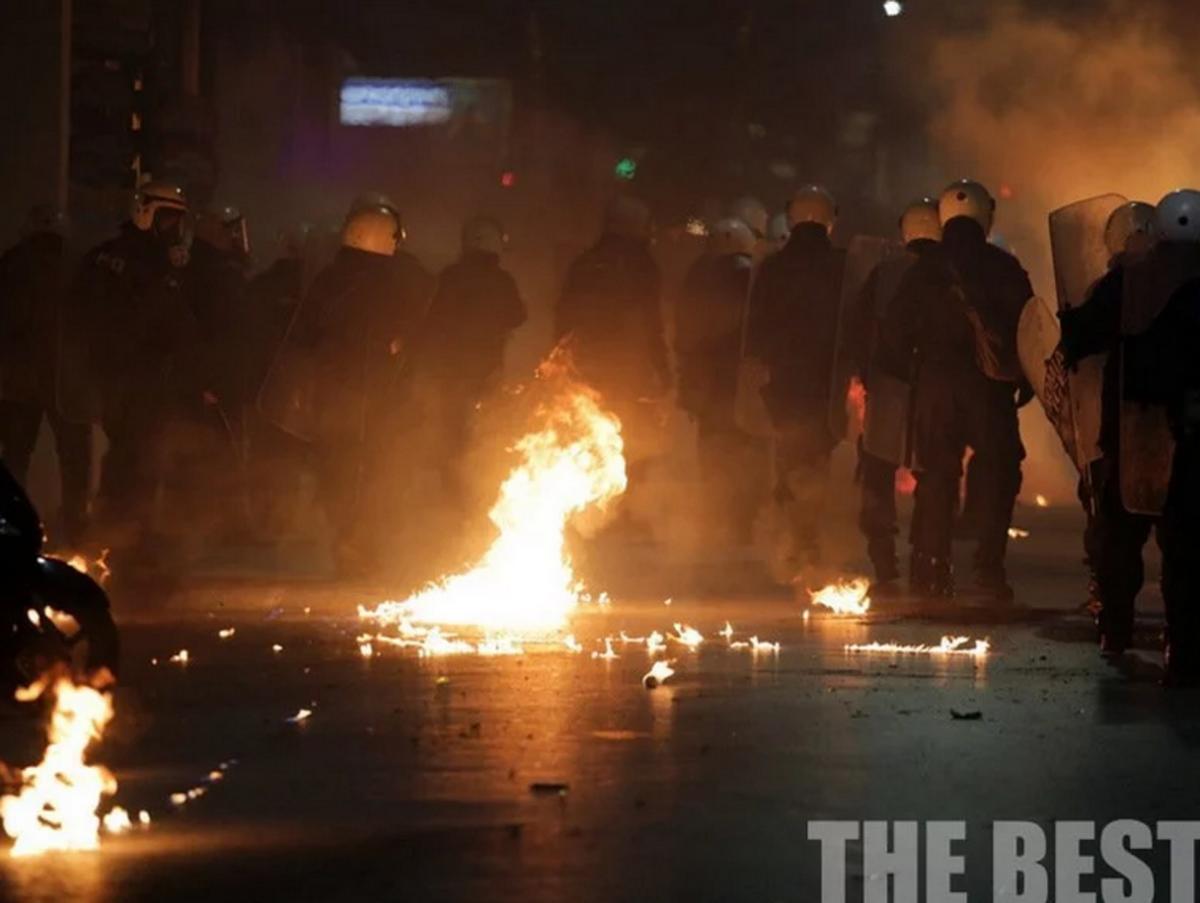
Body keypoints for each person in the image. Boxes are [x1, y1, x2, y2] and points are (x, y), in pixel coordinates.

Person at [1065, 190, 1200, 659]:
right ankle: (1184, 646)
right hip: (1188, 431)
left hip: (1135, 427)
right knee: (1187, 544)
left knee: (1120, 532)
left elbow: (1078, 336)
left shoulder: (1130, 280)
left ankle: (1116, 630)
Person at [889, 180, 1032, 601]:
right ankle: (989, 569)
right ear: (986, 216)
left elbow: (894, 333)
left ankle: (933, 571)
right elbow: (1029, 332)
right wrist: (1026, 382)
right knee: (998, 473)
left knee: (935, 477)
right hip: (990, 392)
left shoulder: (923, 271)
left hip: (935, 390)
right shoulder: (1005, 267)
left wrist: (913, 374)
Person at [75, 180, 212, 557]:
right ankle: (122, 537)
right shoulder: (139, 262)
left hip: (136, 377)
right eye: (167, 220)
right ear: (145, 212)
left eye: (177, 222)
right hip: (131, 378)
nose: (173, 230)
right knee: (132, 456)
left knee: (137, 455)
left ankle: (125, 534)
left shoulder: (122, 258)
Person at [290, 203, 425, 575]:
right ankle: (355, 548)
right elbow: (399, 336)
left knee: (339, 469)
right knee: (366, 471)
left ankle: (348, 543)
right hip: (365, 397)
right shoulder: (382, 284)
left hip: (332, 396)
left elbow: (304, 335)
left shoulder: (329, 278)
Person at [1056, 200, 1156, 621]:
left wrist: (1069, 322)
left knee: (1117, 523)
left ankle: (1115, 621)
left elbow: (1080, 340)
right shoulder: (1185, 282)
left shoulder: (1119, 284)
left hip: (1130, 420)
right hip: (1183, 424)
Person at [744, 185, 845, 581]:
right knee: (816, 461)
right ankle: (804, 540)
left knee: (789, 458)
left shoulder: (773, 267)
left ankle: (792, 539)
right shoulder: (842, 266)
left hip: (783, 384)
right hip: (825, 381)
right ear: (828, 219)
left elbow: (756, 329)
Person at [1121, 196, 1200, 685]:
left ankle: (1186, 649)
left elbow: (1144, 373)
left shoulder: (1166, 295)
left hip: (1192, 442)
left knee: (1185, 544)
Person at [848, 198, 942, 594]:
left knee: (877, 469)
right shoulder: (949, 272)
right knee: (935, 473)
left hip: (886, 388)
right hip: (934, 389)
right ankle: (928, 556)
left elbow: (856, 329)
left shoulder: (884, 273)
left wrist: (865, 376)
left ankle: (884, 559)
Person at [555, 196, 671, 511]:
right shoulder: (642, 266)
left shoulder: (585, 263)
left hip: (586, 367)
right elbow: (651, 323)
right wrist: (662, 370)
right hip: (627, 369)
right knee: (630, 436)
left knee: (588, 431)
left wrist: (560, 363)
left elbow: (564, 318)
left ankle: (587, 509)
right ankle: (624, 511)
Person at [414, 216, 527, 507]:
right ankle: (481, 496)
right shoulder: (501, 280)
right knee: (485, 432)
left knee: (454, 432)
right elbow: (519, 315)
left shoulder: (449, 277)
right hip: (487, 372)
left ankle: (455, 496)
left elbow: (430, 321)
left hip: (451, 373)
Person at [0, 205, 93, 545]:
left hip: (19, 379)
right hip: (65, 379)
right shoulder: (78, 263)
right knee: (73, 455)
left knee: (15, 455)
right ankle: (75, 525)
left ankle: (11, 526)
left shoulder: (12, 263)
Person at [675, 216, 758, 544]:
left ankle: (713, 518)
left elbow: (684, 330)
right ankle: (739, 522)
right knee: (741, 449)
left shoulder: (697, 275)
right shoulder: (746, 275)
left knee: (711, 448)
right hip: (734, 380)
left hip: (705, 380)